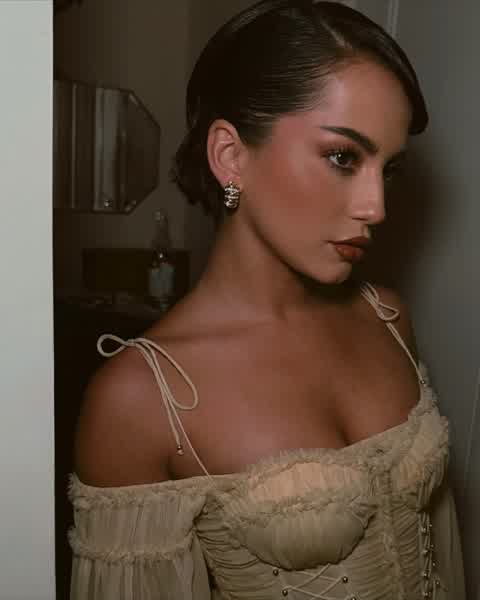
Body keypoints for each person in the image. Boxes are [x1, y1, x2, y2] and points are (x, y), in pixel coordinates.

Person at [69, 1, 465, 598]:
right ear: (231, 156)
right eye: (343, 157)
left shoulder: (386, 316)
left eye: (388, 170)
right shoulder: (140, 399)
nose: (376, 207)